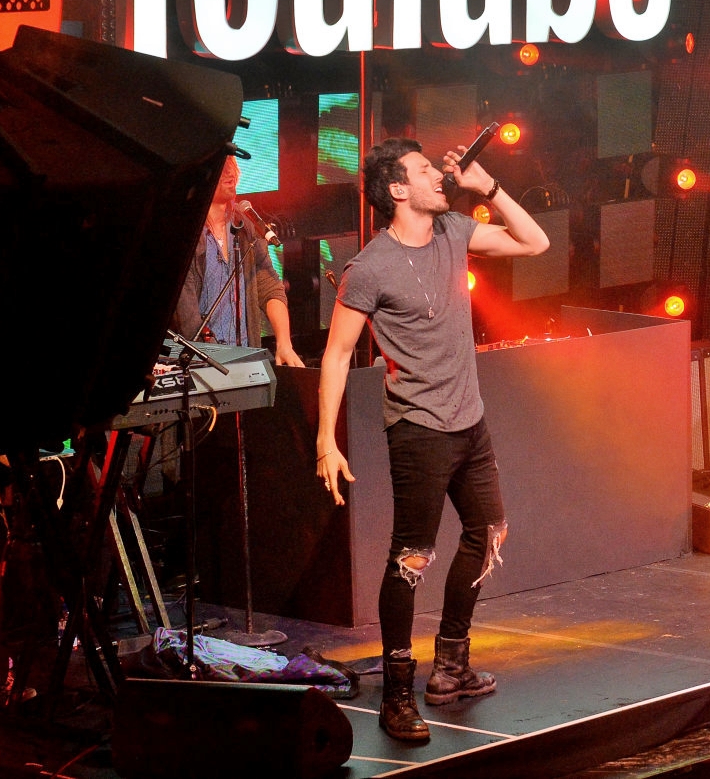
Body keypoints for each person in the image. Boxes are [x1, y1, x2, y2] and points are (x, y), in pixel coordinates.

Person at [315, 138, 549, 742]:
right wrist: (325, 441)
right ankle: (397, 694)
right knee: (410, 558)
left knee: (487, 532)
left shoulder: (452, 230)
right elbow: (337, 355)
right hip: (418, 428)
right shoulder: (369, 267)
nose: (438, 176)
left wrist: (488, 187)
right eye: (424, 171)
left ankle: (450, 667)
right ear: (398, 190)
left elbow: (535, 242)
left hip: (470, 420)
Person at [172, 155, 304, 367]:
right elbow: (187, 318)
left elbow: (270, 286)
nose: (230, 172)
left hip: (245, 357)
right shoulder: (185, 234)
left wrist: (284, 343)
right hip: (201, 362)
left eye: (232, 164)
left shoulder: (245, 226)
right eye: (222, 165)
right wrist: (214, 362)